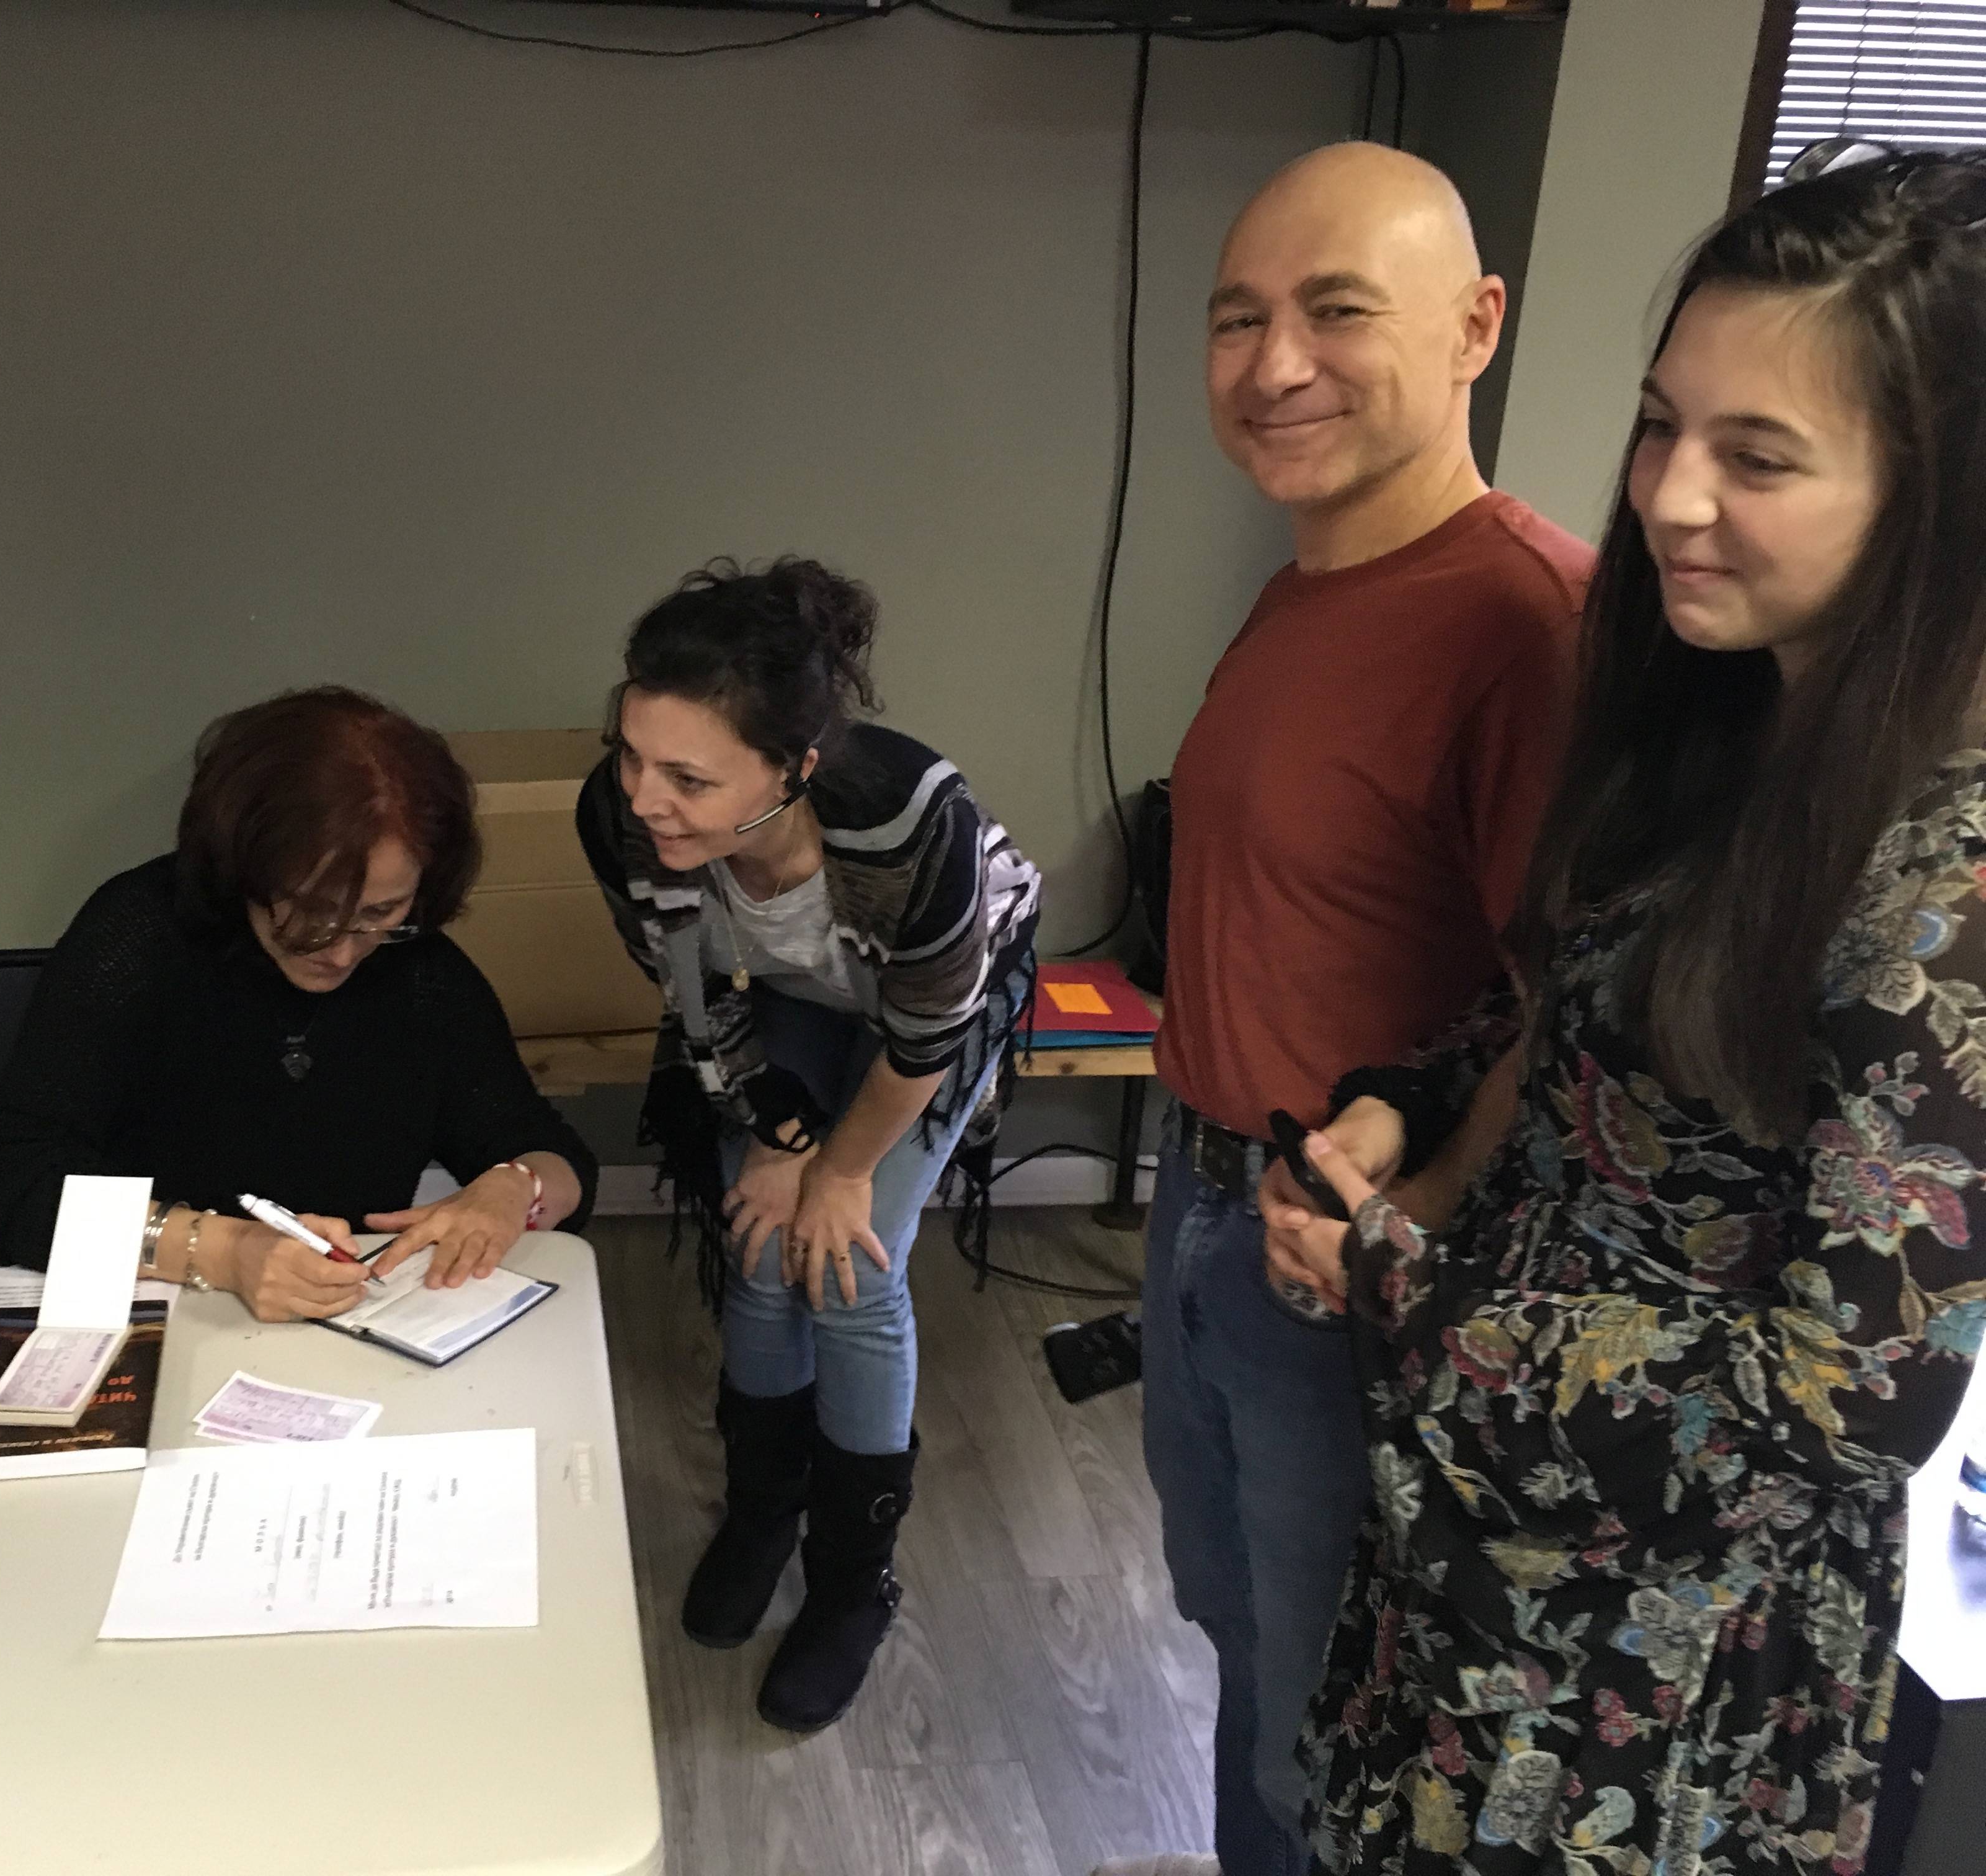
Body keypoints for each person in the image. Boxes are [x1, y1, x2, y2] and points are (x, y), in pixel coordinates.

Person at [1264, 146, 1986, 1875]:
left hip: (1654, 1654)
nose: (1670, 496)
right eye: (1664, 427)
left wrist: (1401, 1282)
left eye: (1759, 457)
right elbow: (1597, 1011)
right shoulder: (1735, 726)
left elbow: (1844, 1397)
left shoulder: (1947, 883)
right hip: (1488, 1537)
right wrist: (1407, 1102)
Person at [1141, 142, 1593, 1876]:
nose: (1274, 366)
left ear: (1476, 326)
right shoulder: (1305, 588)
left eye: (1337, 312)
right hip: (1204, 1205)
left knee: (1325, 1737)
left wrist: (1411, 1218)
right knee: (1239, 1645)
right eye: (1236, 320)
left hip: (1344, 1284)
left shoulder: (1528, 626)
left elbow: (1581, 1023)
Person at [577, 557, 1040, 1733]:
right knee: (758, 1239)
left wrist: (839, 1168)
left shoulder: (912, 823)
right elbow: (692, 994)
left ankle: (850, 1582)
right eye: (631, 756)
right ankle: (760, 1512)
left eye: (689, 777)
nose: (644, 798)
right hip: (781, 987)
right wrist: (776, 1134)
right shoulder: (618, 816)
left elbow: (924, 1034)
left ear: (794, 770)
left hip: (928, 1008)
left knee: (852, 1268)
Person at [0, 685, 596, 1308]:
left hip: (299, 1331)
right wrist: (223, 1252)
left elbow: (552, 1154)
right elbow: (4, 1178)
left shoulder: (422, 974)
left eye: (380, 912)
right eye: (309, 909)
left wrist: (517, 1188)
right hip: (102, 1304)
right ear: (245, 867)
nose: (341, 951)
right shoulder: (141, 937)